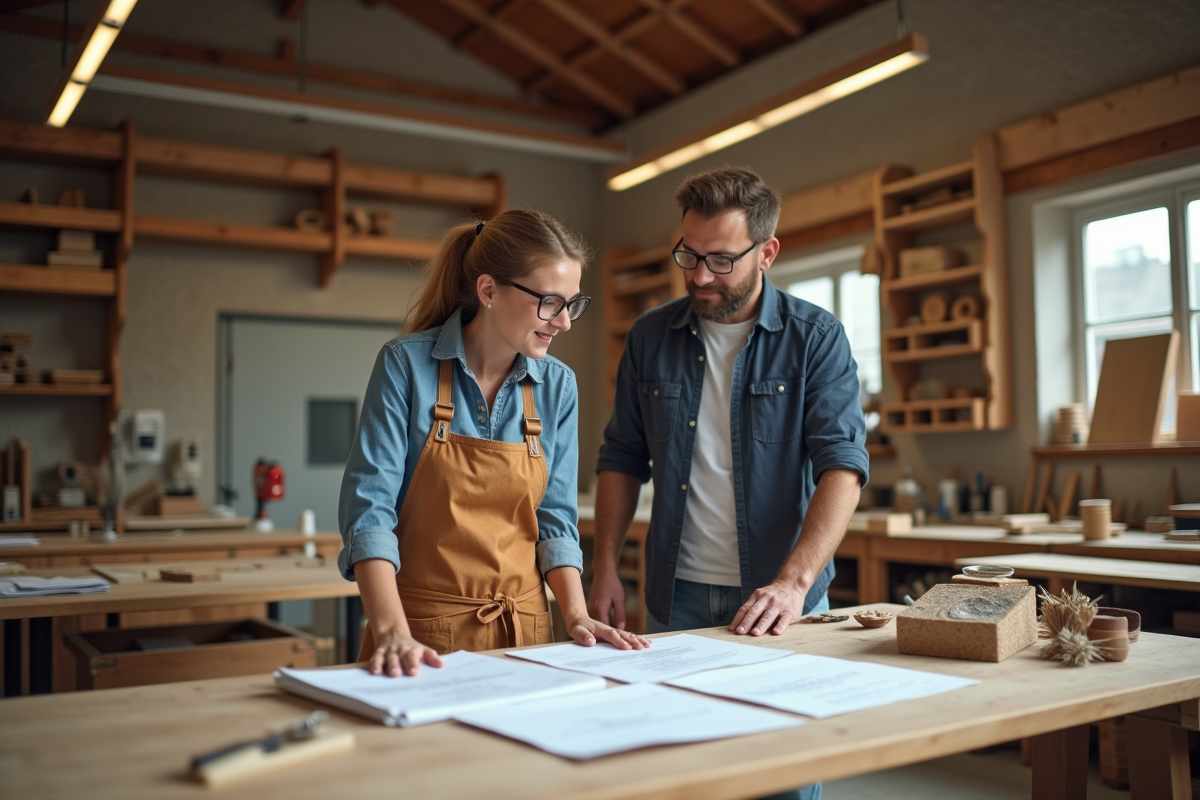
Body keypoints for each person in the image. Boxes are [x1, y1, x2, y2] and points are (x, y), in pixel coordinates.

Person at [589, 168, 867, 798]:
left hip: (778, 604)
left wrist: (794, 584)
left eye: (720, 259)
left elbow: (842, 467)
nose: (699, 276)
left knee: (784, 777)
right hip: (674, 596)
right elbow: (622, 456)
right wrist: (604, 565)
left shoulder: (814, 338)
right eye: (689, 254)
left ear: (767, 252)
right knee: (682, 773)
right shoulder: (650, 337)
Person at [340, 209, 649, 679]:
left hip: (526, 636)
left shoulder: (558, 386)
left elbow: (556, 521)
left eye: (572, 303)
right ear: (488, 291)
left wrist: (578, 614)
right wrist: (390, 632)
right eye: (549, 302)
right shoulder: (405, 367)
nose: (564, 322)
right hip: (418, 638)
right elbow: (370, 513)